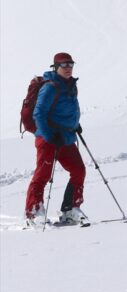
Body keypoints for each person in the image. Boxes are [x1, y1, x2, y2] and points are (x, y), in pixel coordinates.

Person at [25, 52, 86, 226]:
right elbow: (39, 114)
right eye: (64, 65)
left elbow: (71, 109)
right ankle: (33, 212)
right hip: (48, 138)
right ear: (56, 67)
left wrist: (75, 124)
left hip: (66, 137)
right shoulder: (50, 87)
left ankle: (70, 209)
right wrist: (49, 135)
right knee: (42, 175)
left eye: (70, 65)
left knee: (79, 170)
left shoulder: (71, 86)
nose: (68, 68)